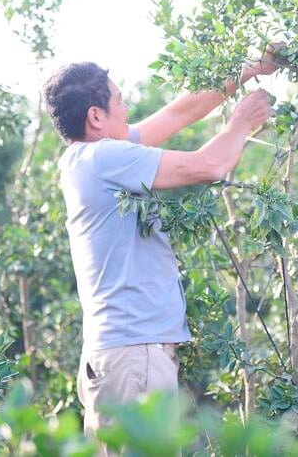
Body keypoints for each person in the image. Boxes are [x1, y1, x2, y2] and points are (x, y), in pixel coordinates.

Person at [42, 45, 282, 452]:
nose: (128, 107)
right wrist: (241, 122)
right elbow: (210, 166)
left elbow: (178, 114)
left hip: (122, 355)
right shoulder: (105, 157)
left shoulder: (86, 158)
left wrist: (253, 68)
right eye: (119, 101)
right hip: (133, 356)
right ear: (95, 116)